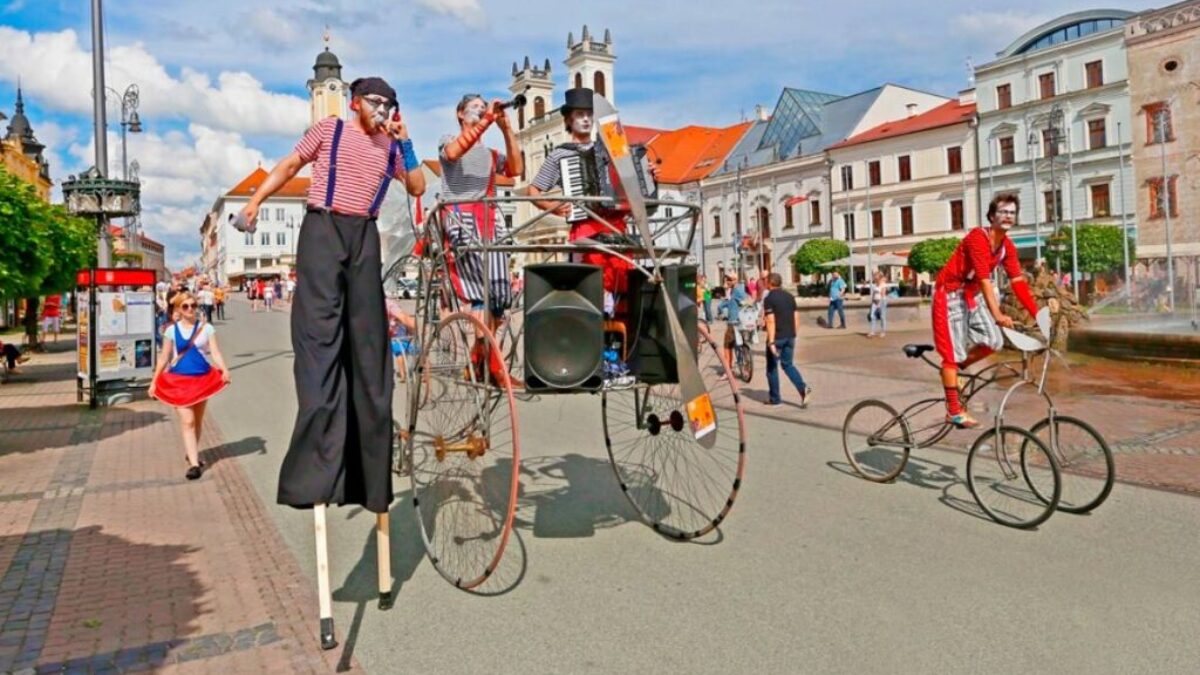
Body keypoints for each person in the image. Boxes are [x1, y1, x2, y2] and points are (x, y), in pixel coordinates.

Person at [240, 75, 424, 515]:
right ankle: (316, 460)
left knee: (367, 338)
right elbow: (288, 166)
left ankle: (368, 463)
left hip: (363, 232)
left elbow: (417, 187)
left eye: (390, 105)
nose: (383, 111)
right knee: (321, 335)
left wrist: (408, 142)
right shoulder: (331, 130)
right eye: (377, 102)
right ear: (356, 102)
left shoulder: (391, 146)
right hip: (323, 227)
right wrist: (256, 202)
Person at [438, 92, 524, 387]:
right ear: (460, 114)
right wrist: (488, 119)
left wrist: (506, 129)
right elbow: (452, 154)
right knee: (481, 292)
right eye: (475, 107)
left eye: (483, 106)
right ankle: (492, 366)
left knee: (500, 293)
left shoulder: (490, 155)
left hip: (489, 220)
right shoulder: (449, 140)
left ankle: (480, 359)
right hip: (461, 218)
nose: (481, 109)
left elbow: (516, 169)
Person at [932, 194, 1039, 428]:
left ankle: (955, 371)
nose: (1008, 216)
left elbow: (1018, 281)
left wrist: (1037, 313)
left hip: (971, 295)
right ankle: (953, 410)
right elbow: (984, 279)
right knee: (951, 354)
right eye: (1003, 212)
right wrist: (998, 315)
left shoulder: (1006, 247)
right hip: (949, 294)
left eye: (1012, 213)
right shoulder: (977, 238)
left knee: (993, 342)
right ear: (992, 216)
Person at [529, 87, 636, 321]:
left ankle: (621, 348)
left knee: (624, 293)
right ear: (569, 119)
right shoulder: (560, 155)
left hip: (617, 228)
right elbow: (533, 191)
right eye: (579, 114)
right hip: (586, 229)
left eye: (589, 113)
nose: (586, 119)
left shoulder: (612, 147)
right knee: (591, 291)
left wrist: (648, 174)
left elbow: (634, 180)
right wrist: (554, 206)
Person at [148, 292, 231, 479]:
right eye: (185, 306)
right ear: (178, 309)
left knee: (198, 420)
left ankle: (192, 452)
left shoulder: (206, 328)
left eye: (193, 305)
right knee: (188, 421)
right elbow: (164, 358)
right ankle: (194, 464)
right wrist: (154, 382)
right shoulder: (171, 331)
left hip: (203, 379)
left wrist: (224, 369)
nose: (190, 309)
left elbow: (215, 352)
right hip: (179, 381)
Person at [762, 272, 811, 407]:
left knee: (772, 369)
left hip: (776, 338)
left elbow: (771, 321)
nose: (764, 282)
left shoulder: (769, 299)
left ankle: (775, 399)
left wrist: (771, 341)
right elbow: (796, 317)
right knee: (788, 365)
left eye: (765, 280)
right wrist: (793, 334)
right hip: (790, 337)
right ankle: (803, 389)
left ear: (770, 283)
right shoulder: (790, 297)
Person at [717, 272, 749, 373]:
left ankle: (728, 370)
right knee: (739, 343)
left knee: (727, 345)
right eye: (726, 280)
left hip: (733, 321)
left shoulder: (736, 290)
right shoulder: (736, 289)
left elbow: (742, 301)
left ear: (735, 280)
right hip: (741, 321)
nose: (727, 282)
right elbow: (729, 302)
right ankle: (743, 365)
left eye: (729, 280)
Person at [867, 270, 887, 338]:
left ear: (879, 277)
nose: (874, 277)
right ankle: (872, 331)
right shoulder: (875, 284)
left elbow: (883, 294)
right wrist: (872, 301)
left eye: (875, 276)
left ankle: (883, 332)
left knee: (882, 316)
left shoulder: (883, 284)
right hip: (874, 302)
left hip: (881, 302)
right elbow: (874, 293)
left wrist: (879, 304)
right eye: (874, 276)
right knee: (872, 316)